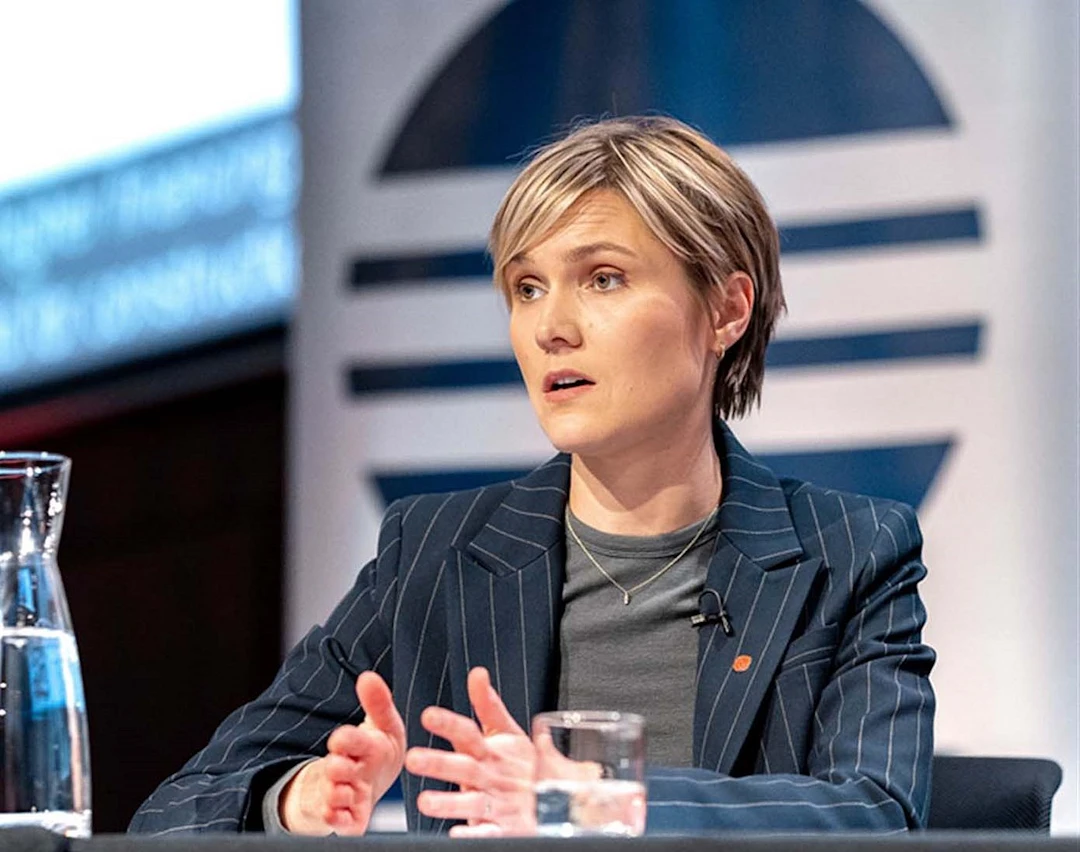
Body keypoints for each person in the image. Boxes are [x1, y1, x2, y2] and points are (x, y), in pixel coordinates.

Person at [130, 116, 935, 836]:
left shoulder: (850, 554)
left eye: (604, 278)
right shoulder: (435, 553)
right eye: (526, 288)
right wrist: (295, 798)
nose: (551, 327)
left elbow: (877, 812)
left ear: (726, 310)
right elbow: (172, 813)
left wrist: (597, 802)